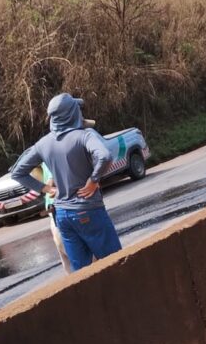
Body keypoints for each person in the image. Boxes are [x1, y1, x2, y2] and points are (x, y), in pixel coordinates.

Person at [10, 93, 122, 272]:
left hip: (62, 215)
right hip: (89, 210)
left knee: (81, 273)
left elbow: (17, 172)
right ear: (72, 113)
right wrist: (94, 180)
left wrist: (46, 189)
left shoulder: (43, 144)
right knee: (116, 263)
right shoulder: (85, 135)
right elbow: (105, 156)